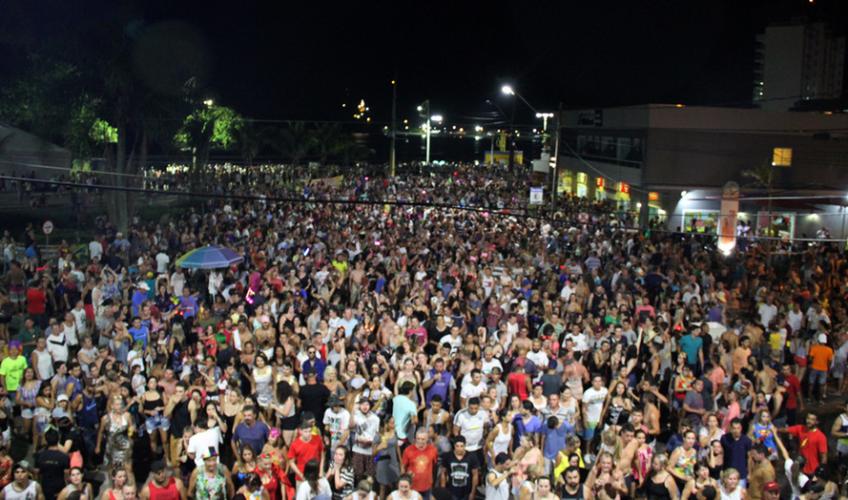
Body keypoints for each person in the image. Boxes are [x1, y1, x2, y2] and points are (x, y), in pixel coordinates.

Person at [400, 429, 438, 498]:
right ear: (415, 439)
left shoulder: (433, 450)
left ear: (427, 439)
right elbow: (403, 467)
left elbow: (434, 467)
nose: (420, 441)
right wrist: (403, 481)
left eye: (423, 439)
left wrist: (433, 482)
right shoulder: (408, 450)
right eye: (418, 439)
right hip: (412, 486)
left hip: (427, 486)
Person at [34, 429, 69, 500]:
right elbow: (67, 475)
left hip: (45, 486)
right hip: (60, 487)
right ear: (58, 439)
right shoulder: (64, 457)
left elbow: (36, 473)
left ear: (46, 440)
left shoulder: (39, 455)